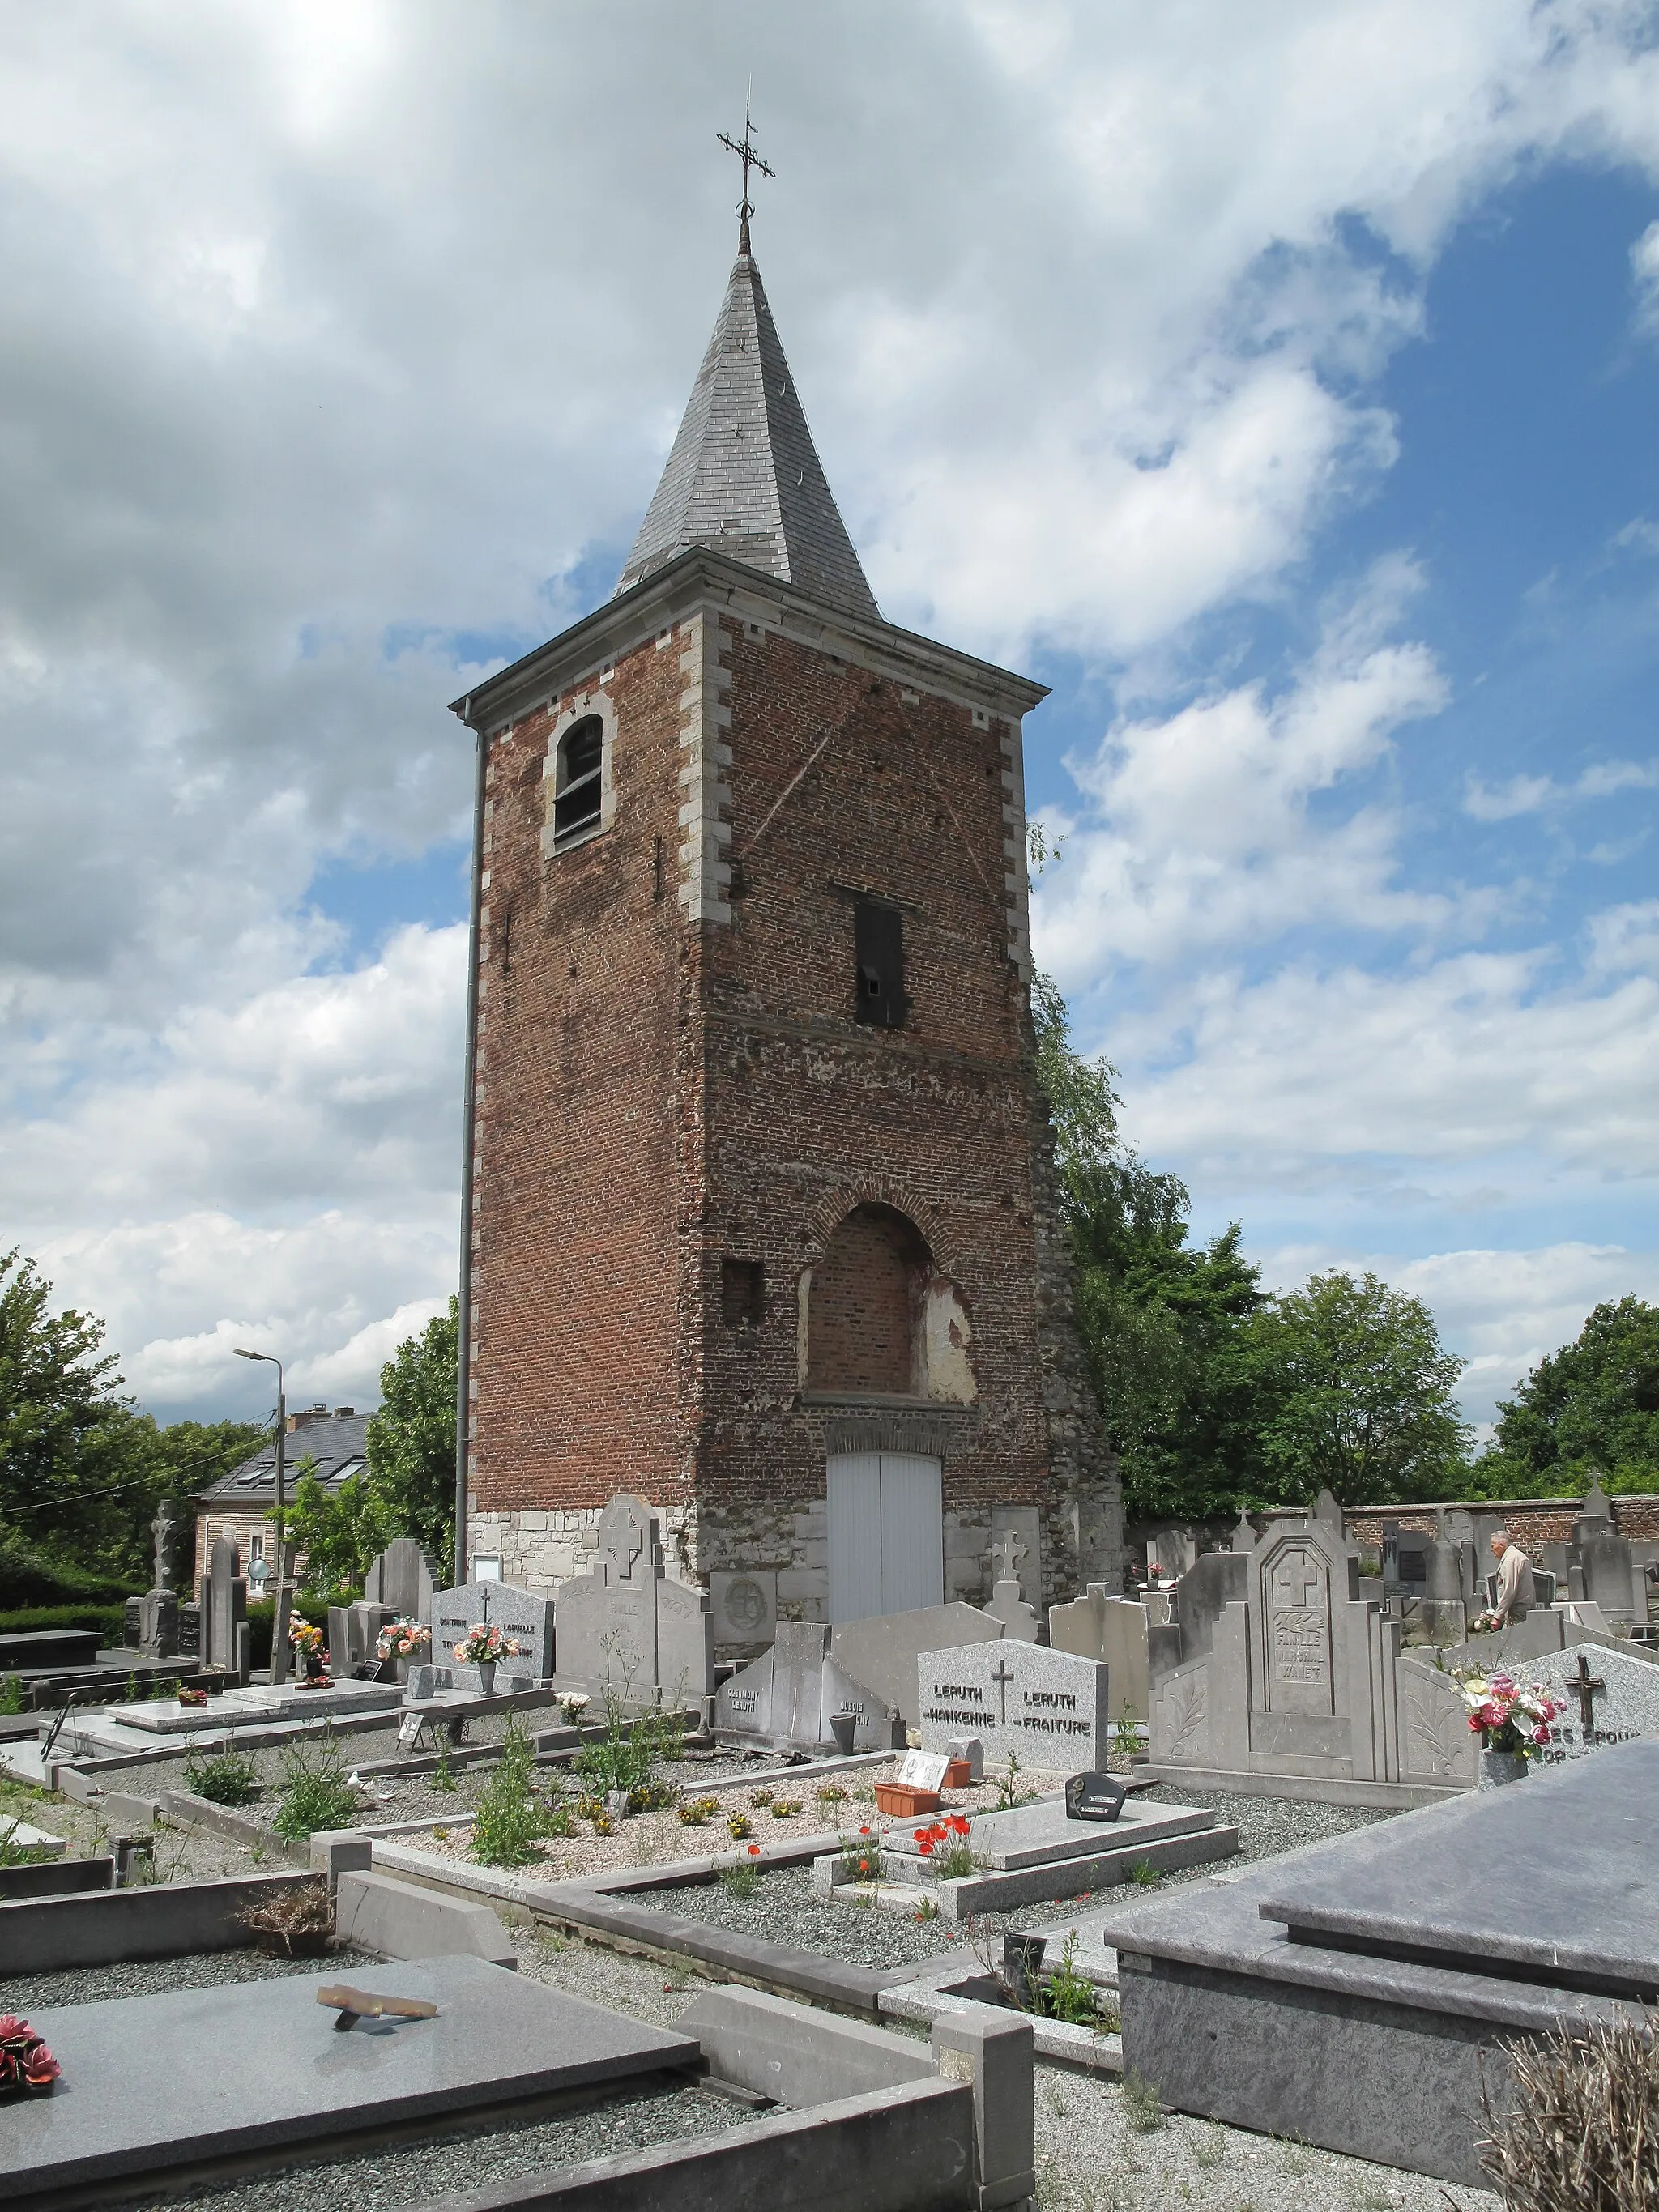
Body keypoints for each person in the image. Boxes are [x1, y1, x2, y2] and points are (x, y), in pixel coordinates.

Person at [1489, 1532, 1535, 1627]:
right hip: (1525, 1608)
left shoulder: (1510, 1560)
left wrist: (1497, 1616)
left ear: (1501, 1545)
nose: (1491, 1549)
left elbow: (1509, 1590)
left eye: (1493, 1546)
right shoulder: (1519, 1556)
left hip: (1517, 1611)